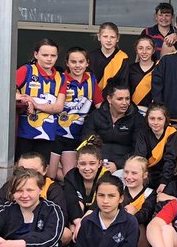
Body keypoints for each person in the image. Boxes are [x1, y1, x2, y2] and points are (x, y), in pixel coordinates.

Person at [15, 38, 66, 178]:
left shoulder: (61, 77)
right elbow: (0, 90)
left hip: (46, 133)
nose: (49, 59)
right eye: (45, 55)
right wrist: (24, 99)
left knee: (41, 173)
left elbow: (58, 107)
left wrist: (36, 104)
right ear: (36, 54)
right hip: (24, 132)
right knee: (21, 171)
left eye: (53, 55)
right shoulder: (26, 70)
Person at [83, 82, 144, 171]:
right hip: (96, 165)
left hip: (125, 167)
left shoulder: (137, 119)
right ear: (109, 99)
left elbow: (138, 150)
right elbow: (86, 142)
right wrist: (96, 162)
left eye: (127, 99)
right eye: (120, 99)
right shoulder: (96, 115)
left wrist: (118, 165)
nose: (125, 103)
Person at [55, 47, 96, 176]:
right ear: (67, 63)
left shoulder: (91, 80)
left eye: (81, 61)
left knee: (70, 176)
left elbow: (100, 105)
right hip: (55, 133)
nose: (77, 65)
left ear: (87, 63)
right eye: (73, 62)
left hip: (76, 136)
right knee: (49, 173)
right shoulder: (59, 79)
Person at [62, 144, 114, 231]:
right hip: (75, 218)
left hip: (99, 216)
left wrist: (82, 223)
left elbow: (99, 203)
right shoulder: (71, 176)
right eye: (82, 164)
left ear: (99, 164)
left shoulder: (106, 176)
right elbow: (70, 201)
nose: (87, 168)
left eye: (92, 163)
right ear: (77, 164)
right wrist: (78, 222)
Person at [134, 104, 177, 195]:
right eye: (152, 118)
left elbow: (170, 159)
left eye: (160, 119)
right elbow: (140, 157)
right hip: (147, 173)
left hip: (166, 174)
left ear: (166, 119)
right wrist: (142, 177)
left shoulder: (171, 132)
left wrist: (164, 182)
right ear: (147, 119)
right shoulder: (143, 132)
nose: (156, 122)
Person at [119, 154, 157, 247]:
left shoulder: (149, 193)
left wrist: (133, 212)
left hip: (141, 240)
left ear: (144, 175)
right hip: (118, 235)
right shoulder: (119, 191)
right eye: (126, 172)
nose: (129, 177)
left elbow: (145, 215)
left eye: (134, 173)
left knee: (136, 223)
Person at [88, 22, 130, 101]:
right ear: (99, 37)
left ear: (117, 38)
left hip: (114, 101)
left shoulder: (123, 57)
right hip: (93, 100)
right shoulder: (91, 57)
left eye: (112, 37)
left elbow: (123, 83)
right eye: (105, 36)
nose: (108, 40)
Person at [127, 34, 157, 110]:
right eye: (140, 48)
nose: (144, 52)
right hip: (132, 111)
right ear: (136, 50)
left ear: (153, 50)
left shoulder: (159, 69)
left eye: (148, 48)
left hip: (152, 113)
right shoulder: (130, 69)